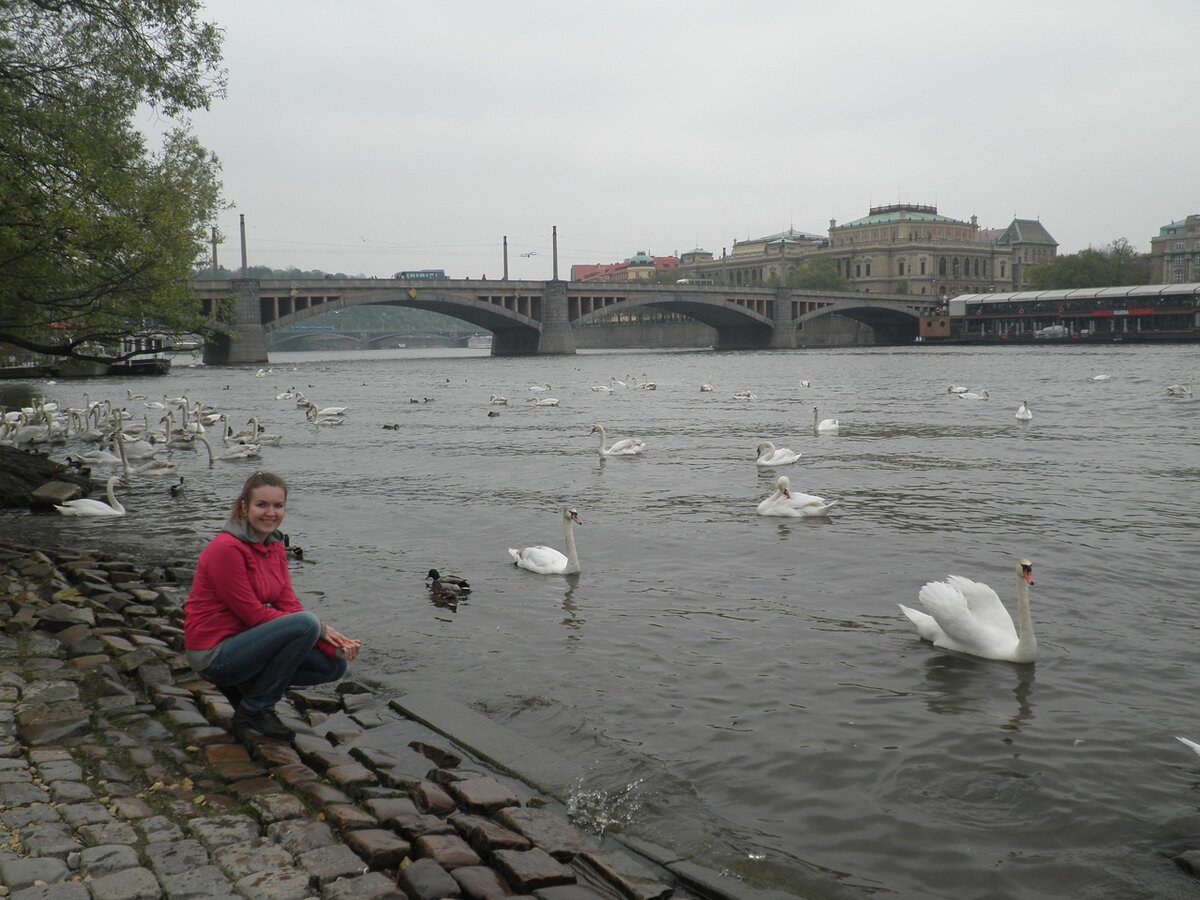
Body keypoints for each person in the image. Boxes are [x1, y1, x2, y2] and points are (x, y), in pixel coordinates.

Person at [184, 471, 361, 738]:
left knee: (333, 666)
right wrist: (318, 629)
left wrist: (334, 644)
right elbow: (254, 614)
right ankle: (255, 709)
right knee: (307, 623)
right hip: (214, 653)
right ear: (244, 506)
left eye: (277, 506)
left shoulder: (274, 545)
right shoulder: (226, 549)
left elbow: (288, 603)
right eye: (262, 505)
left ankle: (247, 691)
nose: (271, 513)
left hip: (245, 645)